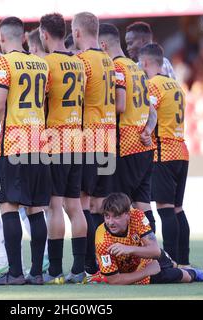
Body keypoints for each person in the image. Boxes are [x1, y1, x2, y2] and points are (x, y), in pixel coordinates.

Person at [0, 17, 51, 285]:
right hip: (40, 144)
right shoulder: (41, 64)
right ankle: (36, 273)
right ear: (23, 37)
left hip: (14, 143)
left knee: (8, 205)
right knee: (35, 209)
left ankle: (15, 273)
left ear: (1, 38)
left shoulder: (3, 63)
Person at [38, 13, 88, 284]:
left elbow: (41, 102)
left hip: (55, 140)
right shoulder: (79, 64)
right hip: (78, 140)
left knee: (53, 207)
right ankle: (79, 269)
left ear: (44, 34)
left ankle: (55, 271)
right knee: (76, 206)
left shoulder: (46, 64)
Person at [99, 23, 158, 233]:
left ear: (103, 45)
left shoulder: (116, 67)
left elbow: (120, 105)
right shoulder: (138, 68)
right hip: (144, 146)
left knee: (116, 204)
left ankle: (116, 255)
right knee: (142, 205)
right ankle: (151, 252)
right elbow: (152, 110)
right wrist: (148, 131)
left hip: (126, 145)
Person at [71, 12, 117, 280]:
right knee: (100, 206)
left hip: (88, 138)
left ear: (77, 33)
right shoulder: (108, 61)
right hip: (108, 140)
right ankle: (103, 263)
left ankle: (89, 265)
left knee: (84, 204)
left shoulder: (81, 61)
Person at [139, 44, 191, 267]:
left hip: (164, 153)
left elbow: (151, 112)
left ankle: (169, 262)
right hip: (181, 151)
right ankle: (184, 260)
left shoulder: (152, 85)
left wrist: (147, 132)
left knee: (165, 210)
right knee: (177, 209)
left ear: (146, 63)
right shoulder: (176, 86)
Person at [96, 193, 203, 285]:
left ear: (128, 214)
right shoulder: (102, 239)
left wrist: (128, 249)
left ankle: (178, 266)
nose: (110, 222)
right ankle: (193, 274)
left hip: (145, 258)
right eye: (107, 216)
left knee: (163, 258)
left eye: (116, 217)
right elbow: (114, 280)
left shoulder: (137, 215)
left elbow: (154, 251)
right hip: (130, 275)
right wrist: (146, 272)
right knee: (172, 275)